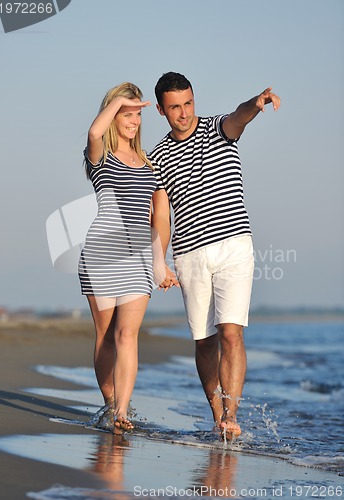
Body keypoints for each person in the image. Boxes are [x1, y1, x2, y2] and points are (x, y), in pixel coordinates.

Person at [150, 72, 280, 440]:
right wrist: (159, 261)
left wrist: (256, 103)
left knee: (231, 333)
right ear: (161, 109)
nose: (184, 112)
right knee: (204, 340)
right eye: (175, 107)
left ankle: (231, 418)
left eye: (188, 103)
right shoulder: (156, 156)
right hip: (189, 254)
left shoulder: (217, 129)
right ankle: (217, 414)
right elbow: (160, 217)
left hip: (234, 246)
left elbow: (238, 117)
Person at [78, 82, 165, 434]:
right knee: (106, 336)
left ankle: (121, 413)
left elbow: (157, 216)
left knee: (127, 335)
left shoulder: (149, 163)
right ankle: (110, 402)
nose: (133, 120)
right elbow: (94, 130)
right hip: (101, 254)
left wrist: (160, 262)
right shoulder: (99, 157)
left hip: (138, 258)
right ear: (113, 114)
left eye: (138, 114)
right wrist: (118, 102)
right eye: (126, 114)